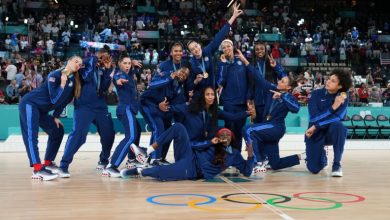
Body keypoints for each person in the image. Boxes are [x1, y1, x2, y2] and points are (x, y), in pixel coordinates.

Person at [238, 50, 303, 174]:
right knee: (275, 163)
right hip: (269, 128)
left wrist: (283, 96)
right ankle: (301, 157)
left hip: (276, 127)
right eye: (279, 80)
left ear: (289, 88)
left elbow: (296, 109)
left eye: (283, 82)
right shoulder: (271, 89)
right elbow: (257, 76)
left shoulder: (288, 97)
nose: (279, 82)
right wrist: (244, 60)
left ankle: (258, 162)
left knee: (248, 129)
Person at [19, 56, 82, 180]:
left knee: (57, 131)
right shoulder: (55, 75)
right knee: (32, 135)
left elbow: (64, 101)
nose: (78, 65)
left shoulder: (72, 81)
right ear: (68, 61)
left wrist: (55, 116)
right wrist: (62, 84)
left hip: (42, 110)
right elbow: (54, 98)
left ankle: (48, 162)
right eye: (76, 61)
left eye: (80, 64)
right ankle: (37, 169)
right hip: (30, 104)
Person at [120, 123, 254, 181]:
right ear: (218, 137)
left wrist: (250, 154)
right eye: (222, 135)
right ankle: (147, 151)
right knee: (178, 127)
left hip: (193, 170)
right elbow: (192, 145)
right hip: (189, 154)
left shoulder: (234, 154)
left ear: (232, 138)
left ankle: (139, 171)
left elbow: (247, 172)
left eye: (228, 135)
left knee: (164, 173)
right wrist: (209, 142)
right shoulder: (212, 143)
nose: (225, 137)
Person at [58, 46, 115, 177]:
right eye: (102, 56)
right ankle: (63, 165)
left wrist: (106, 70)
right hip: (84, 106)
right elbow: (86, 77)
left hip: (100, 106)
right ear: (97, 55)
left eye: (107, 57)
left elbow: (104, 88)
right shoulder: (86, 63)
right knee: (78, 136)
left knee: (109, 134)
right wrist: (95, 60)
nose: (104, 59)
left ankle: (104, 160)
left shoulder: (104, 68)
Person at [186, 2, 243, 98]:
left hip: (212, 93)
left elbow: (219, 36)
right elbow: (189, 85)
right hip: (200, 96)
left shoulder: (207, 51)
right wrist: (195, 81)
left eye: (196, 46)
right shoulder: (191, 63)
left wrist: (233, 17)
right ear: (190, 52)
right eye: (192, 49)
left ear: (199, 45)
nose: (195, 49)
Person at [139, 63, 190, 166]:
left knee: (166, 130)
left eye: (185, 75)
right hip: (147, 103)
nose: (183, 75)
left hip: (157, 107)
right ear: (177, 70)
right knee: (159, 127)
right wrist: (169, 78)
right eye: (182, 72)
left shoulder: (178, 85)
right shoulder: (167, 74)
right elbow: (152, 84)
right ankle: (154, 159)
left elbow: (175, 100)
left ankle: (154, 157)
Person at [305, 69, 352, 177]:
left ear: (340, 86)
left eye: (333, 81)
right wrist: (333, 107)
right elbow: (314, 118)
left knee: (340, 126)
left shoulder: (343, 95)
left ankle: (336, 165)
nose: (328, 82)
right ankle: (322, 155)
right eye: (329, 79)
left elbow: (338, 117)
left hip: (329, 130)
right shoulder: (315, 94)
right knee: (314, 169)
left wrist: (317, 125)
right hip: (314, 132)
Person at [102, 52, 142, 177]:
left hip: (130, 109)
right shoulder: (119, 73)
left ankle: (131, 160)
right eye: (125, 63)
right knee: (130, 136)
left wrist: (134, 63)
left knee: (138, 131)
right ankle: (112, 166)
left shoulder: (129, 73)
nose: (127, 65)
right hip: (125, 109)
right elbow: (117, 78)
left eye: (129, 63)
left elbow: (130, 72)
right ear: (119, 64)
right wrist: (117, 80)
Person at [216, 39, 251, 148]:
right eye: (224, 48)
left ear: (233, 47)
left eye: (228, 46)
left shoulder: (241, 60)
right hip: (229, 102)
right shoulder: (221, 64)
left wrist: (249, 98)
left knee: (239, 131)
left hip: (242, 102)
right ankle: (227, 156)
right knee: (228, 131)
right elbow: (220, 82)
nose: (226, 49)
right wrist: (223, 65)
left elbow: (250, 80)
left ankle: (237, 156)